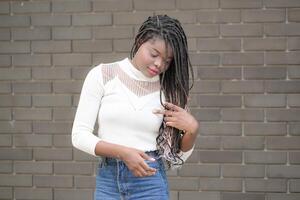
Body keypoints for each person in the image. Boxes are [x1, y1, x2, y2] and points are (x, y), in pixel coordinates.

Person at [72, 15, 199, 200]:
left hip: (150, 183)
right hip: (109, 183)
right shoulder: (103, 75)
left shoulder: (170, 91)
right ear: (140, 40)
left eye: (167, 61)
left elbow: (177, 160)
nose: (159, 64)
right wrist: (123, 153)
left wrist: (192, 130)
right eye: (154, 54)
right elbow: (79, 136)